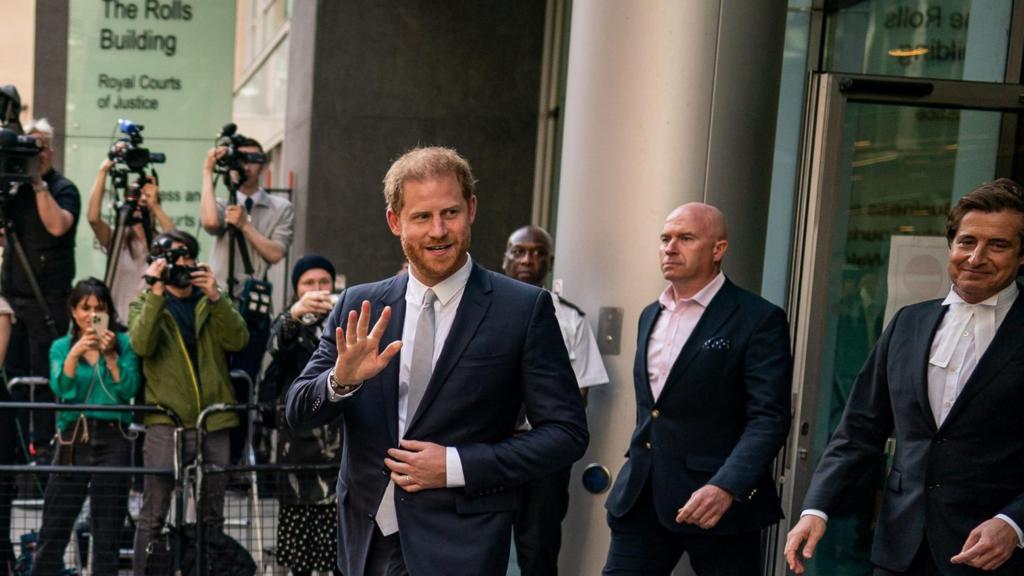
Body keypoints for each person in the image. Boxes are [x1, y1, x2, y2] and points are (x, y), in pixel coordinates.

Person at [285, 146, 589, 576]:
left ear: (472, 209)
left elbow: (567, 433)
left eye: (450, 213)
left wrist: (456, 466)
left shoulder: (523, 309)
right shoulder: (359, 304)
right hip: (367, 541)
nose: (439, 231)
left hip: (463, 543)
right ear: (395, 221)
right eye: (422, 217)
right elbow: (297, 411)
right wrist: (339, 380)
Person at [786, 179, 1024, 575]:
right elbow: (858, 429)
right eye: (966, 242)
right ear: (951, 245)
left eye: (997, 245)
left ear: (1021, 256)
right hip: (899, 549)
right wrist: (817, 507)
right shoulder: (907, 323)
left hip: (995, 557)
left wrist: (1014, 524)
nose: (976, 257)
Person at [602, 203, 792, 576]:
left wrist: (726, 486)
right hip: (641, 497)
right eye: (665, 238)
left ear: (718, 250)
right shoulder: (649, 314)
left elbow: (769, 418)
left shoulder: (758, 318)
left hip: (716, 504)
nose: (670, 248)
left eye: (685, 238)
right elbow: (655, 410)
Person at [128, 230, 249, 574]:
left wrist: (215, 296)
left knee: (212, 511)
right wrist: (154, 292)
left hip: (214, 420)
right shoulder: (146, 302)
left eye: (186, 255)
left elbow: (239, 339)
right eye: (172, 258)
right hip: (166, 421)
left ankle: (207, 570)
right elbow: (140, 345)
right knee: (154, 511)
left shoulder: (210, 300)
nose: (181, 263)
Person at [502, 224, 609, 575]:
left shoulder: (571, 319)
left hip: (543, 456)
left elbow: (580, 396)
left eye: (537, 252)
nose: (527, 259)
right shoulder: (477, 311)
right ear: (505, 258)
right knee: (479, 549)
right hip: (485, 448)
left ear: (550, 261)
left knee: (538, 553)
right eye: (519, 251)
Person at [31, 278, 139, 575]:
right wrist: (76, 352)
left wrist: (111, 356)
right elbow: (62, 388)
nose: (91, 314)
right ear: (73, 311)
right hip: (73, 437)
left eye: (99, 308)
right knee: (55, 523)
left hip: (113, 436)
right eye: (85, 308)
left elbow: (128, 388)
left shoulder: (124, 343)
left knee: (108, 528)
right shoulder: (61, 347)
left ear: (108, 312)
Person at [200, 135, 293, 464]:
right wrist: (208, 170)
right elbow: (210, 223)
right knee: (210, 379)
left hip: (251, 305)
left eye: (253, 158)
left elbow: (275, 253)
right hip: (216, 301)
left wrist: (246, 225)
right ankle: (206, 454)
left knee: (242, 384)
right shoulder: (223, 200)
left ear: (264, 164)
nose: (246, 164)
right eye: (240, 158)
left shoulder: (280, 208)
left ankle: (235, 460)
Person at [1, 118, 81, 458]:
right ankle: (17, 455)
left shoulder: (62, 188)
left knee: (47, 385)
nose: (36, 153)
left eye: (41, 146)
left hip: (49, 306)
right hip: (15, 302)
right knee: (14, 383)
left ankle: (48, 454)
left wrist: (37, 182)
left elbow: (57, 226)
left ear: (50, 150)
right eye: (29, 146)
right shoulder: (11, 188)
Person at [263, 255, 342, 576]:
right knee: (299, 549)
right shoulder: (288, 323)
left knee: (337, 542)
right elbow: (270, 358)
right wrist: (293, 316)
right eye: (308, 283)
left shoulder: (345, 317)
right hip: (296, 446)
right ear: (297, 289)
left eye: (324, 282)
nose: (317, 289)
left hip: (339, 444)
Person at [87, 156, 175, 321]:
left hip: (145, 323)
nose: (141, 200)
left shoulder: (160, 241)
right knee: (96, 342)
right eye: (136, 194)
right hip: (110, 319)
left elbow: (177, 239)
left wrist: (154, 205)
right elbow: (93, 218)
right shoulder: (118, 237)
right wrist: (103, 172)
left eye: (144, 195)